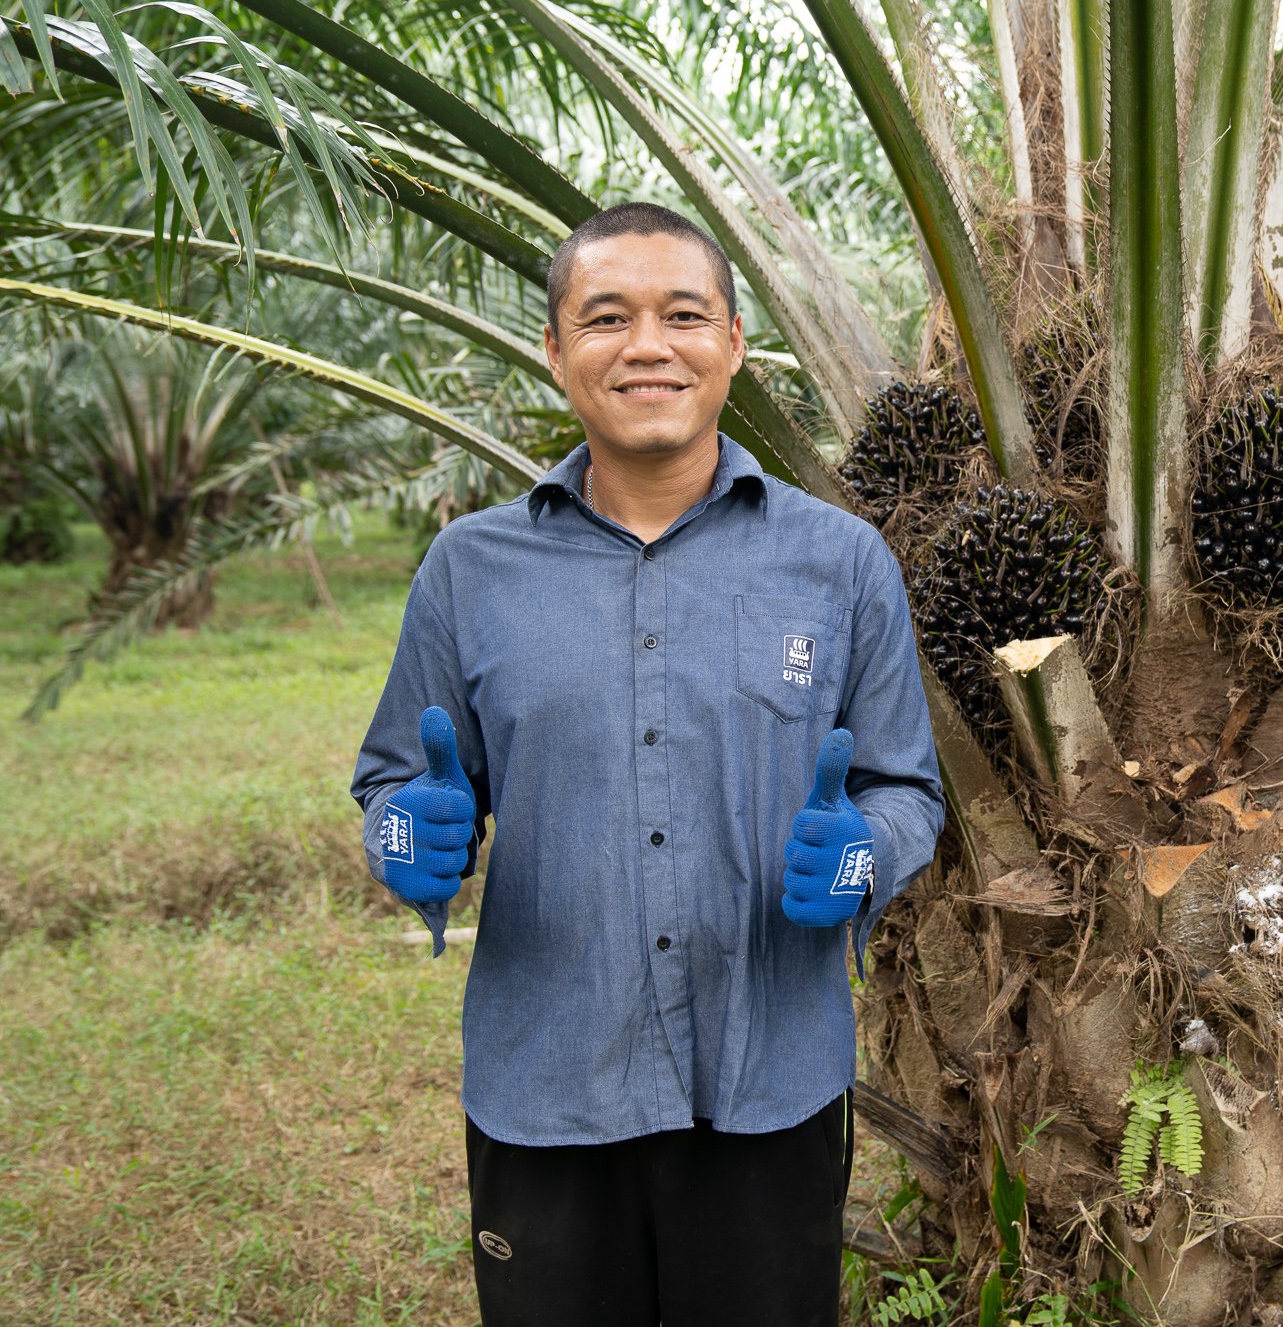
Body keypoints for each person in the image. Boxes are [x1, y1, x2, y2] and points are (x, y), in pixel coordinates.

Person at [349, 201, 945, 1326]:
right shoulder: (470, 569)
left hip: (770, 1081)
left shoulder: (840, 561)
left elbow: (903, 787)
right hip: (548, 1083)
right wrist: (403, 835)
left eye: (682, 315)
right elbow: (392, 785)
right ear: (554, 349)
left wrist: (863, 854)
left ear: (733, 342)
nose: (647, 347)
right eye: (606, 318)